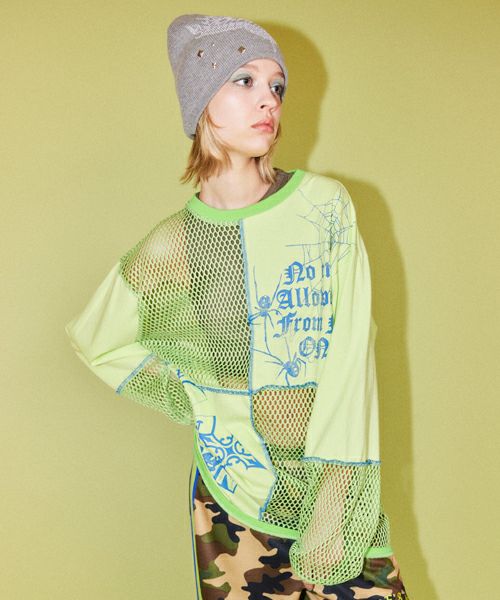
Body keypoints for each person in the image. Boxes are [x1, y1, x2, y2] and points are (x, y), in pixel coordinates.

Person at [65, 13, 410, 600]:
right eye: (244, 80)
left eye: (276, 86)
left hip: (332, 490)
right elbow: (96, 337)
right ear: (201, 102)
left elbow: (352, 359)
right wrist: (191, 396)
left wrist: (337, 500)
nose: (268, 100)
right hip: (229, 499)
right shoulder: (174, 243)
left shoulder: (323, 206)